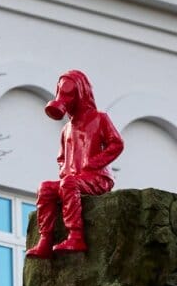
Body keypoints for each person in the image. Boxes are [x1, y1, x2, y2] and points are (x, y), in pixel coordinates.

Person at [27, 70, 124, 258]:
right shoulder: (66, 129)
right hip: (73, 180)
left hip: (97, 179)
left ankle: (76, 235)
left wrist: (96, 162)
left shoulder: (99, 118)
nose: (64, 99)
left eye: (68, 94)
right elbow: (61, 157)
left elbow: (116, 144)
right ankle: (46, 239)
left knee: (68, 183)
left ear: (80, 93)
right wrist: (65, 170)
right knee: (45, 188)